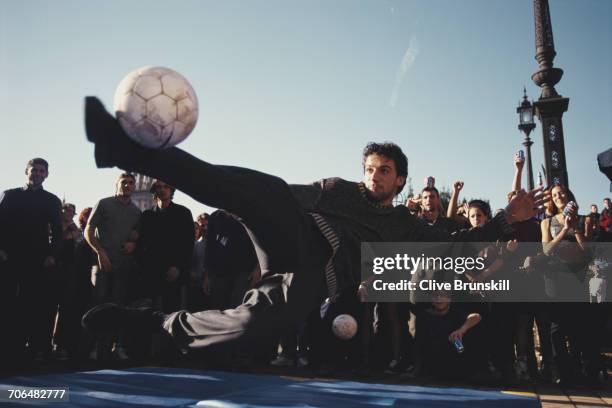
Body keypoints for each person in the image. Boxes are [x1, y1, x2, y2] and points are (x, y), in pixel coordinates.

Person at [81, 96, 547, 356]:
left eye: (385, 170)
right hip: (297, 233)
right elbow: (279, 196)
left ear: (400, 180)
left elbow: (454, 241)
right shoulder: (338, 189)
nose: (374, 175)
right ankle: (126, 148)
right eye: (370, 168)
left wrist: (507, 219)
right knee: (255, 190)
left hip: (314, 278)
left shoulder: (407, 223)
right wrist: (246, 200)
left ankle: (149, 325)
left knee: (249, 326)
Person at [0, 158, 63, 365]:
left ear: (46, 175)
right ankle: (8, 348)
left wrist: (52, 255)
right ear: (26, 171)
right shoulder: (10, 196)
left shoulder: (52, 200)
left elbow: (57, 233)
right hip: (9, 259)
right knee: (8, 305)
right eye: (33, 169)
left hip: (38, 261)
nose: (37, 173)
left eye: (41, 170)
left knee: (35, 306)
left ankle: (34, 349)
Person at [85, 172, 141, 360]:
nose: (128, 185)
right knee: (98, 305)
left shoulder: (136, 211)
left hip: (124, 266)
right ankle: (94, 347)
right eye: (124, 182)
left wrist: (135, 244)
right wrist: (100, 252)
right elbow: (88, 231)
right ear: (116, 184)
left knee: (119, 307)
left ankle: (117, 346)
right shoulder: (104, 203)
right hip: (102, 264)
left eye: (131, 183)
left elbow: (138, 237)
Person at [137, 180, 194, 313]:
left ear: (171, 190)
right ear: (154, 191)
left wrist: (178, 267)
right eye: (158, 187)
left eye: (166, 186)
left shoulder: (183, 213)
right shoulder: (147, 215)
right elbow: (143, 245)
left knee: (173, 312)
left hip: (175, 271)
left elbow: (188, 244)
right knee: (152, 314)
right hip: (152, 272)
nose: (162, 190)